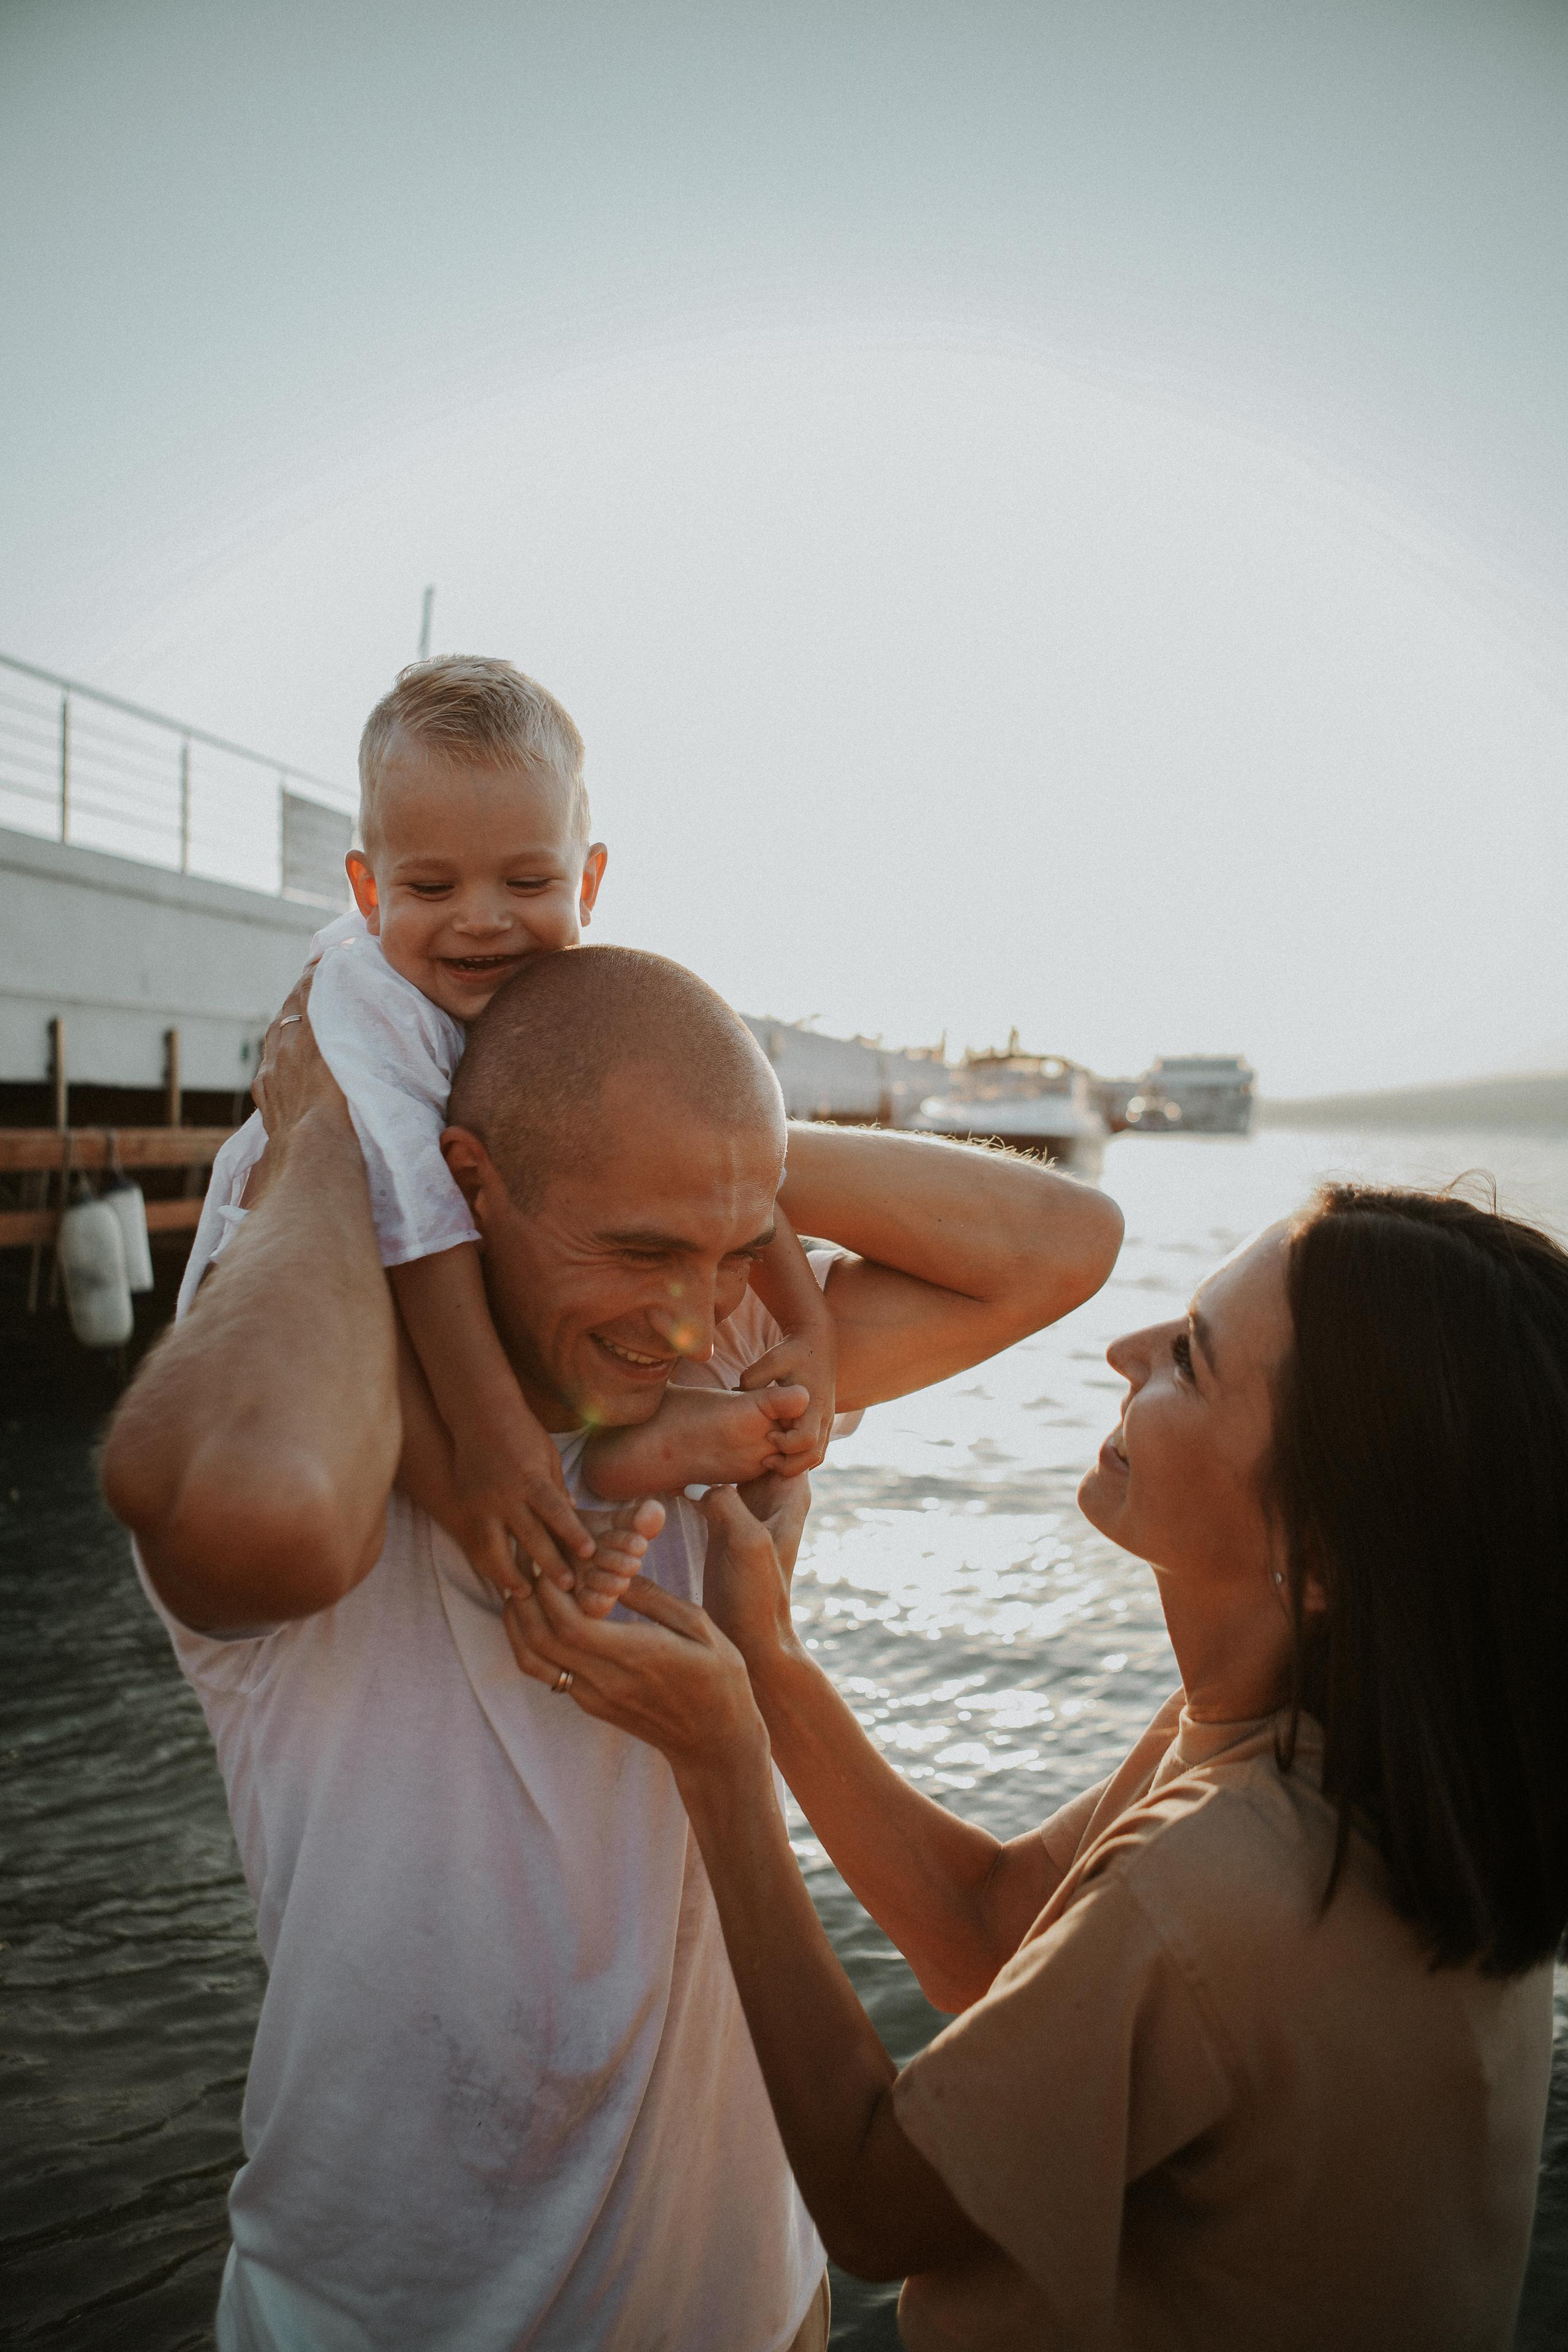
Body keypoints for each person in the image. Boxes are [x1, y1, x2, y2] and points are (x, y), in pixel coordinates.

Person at [102, 945, 1123, 2352]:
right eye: (636, 1249)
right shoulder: (326, 1452)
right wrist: (341, 1126)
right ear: (466, 1181)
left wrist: (724, 1158)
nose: (691, 1315)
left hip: (748, 2308)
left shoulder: (702, 1374)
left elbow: (1061, 1244)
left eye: (719, 1253)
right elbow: (254, 1509)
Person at [507, 1183, 1568, 2351]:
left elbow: (873, 2201)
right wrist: (768, 1659)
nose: (1124, 1347)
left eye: (1192, 1361)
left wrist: (720, 1763)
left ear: (1315, 1554)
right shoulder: (1333, 1740)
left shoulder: (1229, 1883)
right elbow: (990, 1929)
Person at [192, 653, 834, 1611]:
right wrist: (490, 1428)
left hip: (440, 1222)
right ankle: (493, 1524)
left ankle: (615, 1452)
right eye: (433, 888)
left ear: (591, 878)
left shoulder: (569, 992)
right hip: (338, 1237)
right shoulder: (369, 996)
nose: (483, 922)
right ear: (369, 892)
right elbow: (410, 1203)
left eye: (529, 882)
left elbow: (722, 1168)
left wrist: (810, 1323)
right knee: (388, 1362)